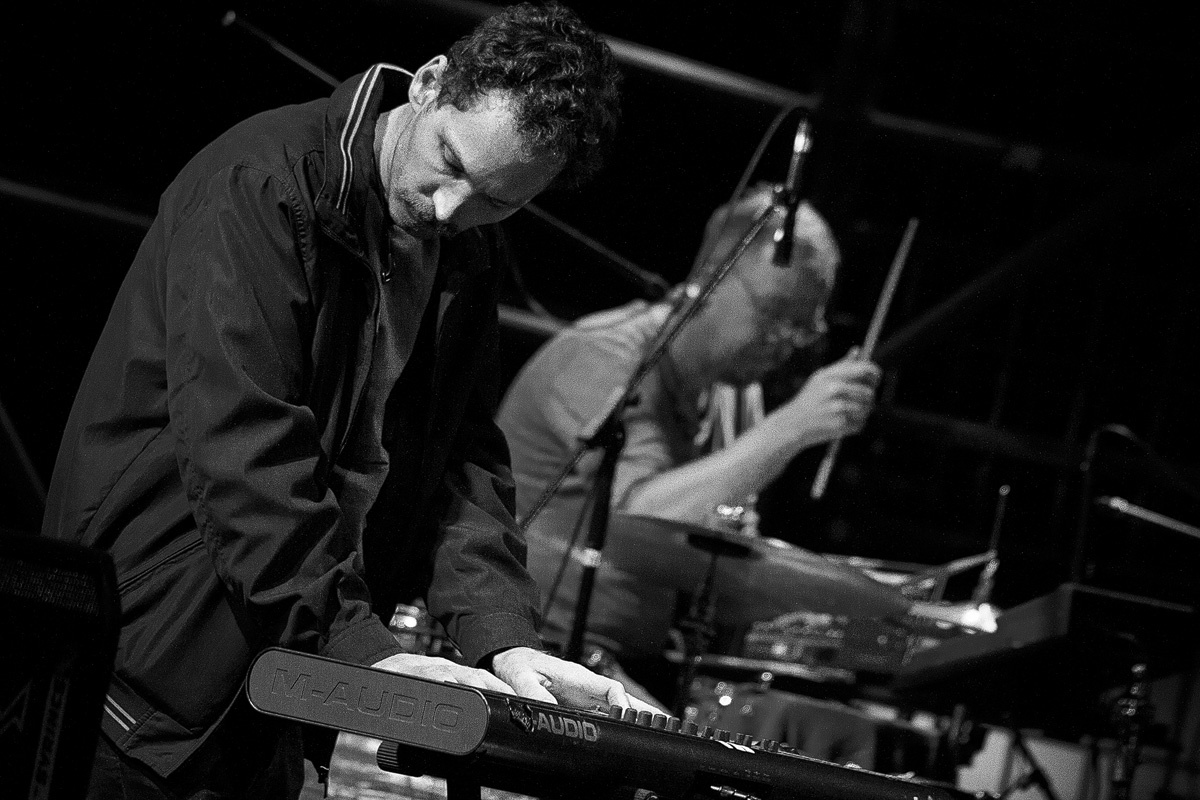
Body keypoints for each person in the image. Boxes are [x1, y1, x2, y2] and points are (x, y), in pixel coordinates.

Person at [40, 4, 655, 798]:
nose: (450, 209)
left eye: (497, 201)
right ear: (429, 83)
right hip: (141, 673)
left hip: (274, 676)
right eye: (451, 161)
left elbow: (460, 462)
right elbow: (245, 451)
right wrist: (365, 654)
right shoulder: (262, 183)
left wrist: (503, 639)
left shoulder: (466, 246)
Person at [496, 181, 883, 709]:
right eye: (776, 313)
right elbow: (639, 521)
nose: (786, 341)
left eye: (804, 326)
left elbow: (717, 565)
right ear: (708, 281)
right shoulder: (606, 357)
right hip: (541, 654)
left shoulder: (733, 395)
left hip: (632, 663)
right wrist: (789, 429)